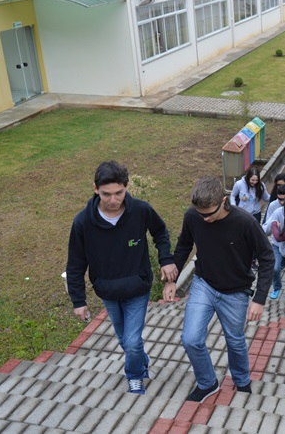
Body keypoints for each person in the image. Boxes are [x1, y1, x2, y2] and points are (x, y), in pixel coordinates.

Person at [66, 160, 176, 396]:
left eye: (118, 193)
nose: (113, 200)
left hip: (137, 287)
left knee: (132, 342)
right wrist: (78, 301)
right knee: (125, 341)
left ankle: (135, 377)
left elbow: (160, 232)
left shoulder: (141, 211)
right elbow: (75, 264)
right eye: (106, 194)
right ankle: (142, 361)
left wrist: (166, 259)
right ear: (95, 189)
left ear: (127, 187)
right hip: (107, 290)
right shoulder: (82, 222)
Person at [165, 177, 274, 402]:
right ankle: (208, 383)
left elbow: (267, 257)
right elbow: (184, 245)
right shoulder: (192, 216)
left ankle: (241, 380)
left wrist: (259, 299)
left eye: (209, 214)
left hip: (236, 291)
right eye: (200, 214)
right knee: (190, 339)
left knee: (235, 340)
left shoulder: (245, 222)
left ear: (223, 201)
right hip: (204, 284)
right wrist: (172, 279)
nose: (204, 219)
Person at [263, 184, 285, 300]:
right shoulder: (273, 206)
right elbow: (267, 224)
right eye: (279, 199)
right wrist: (272, 227)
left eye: (283, 199)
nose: (281, 202)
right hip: (277, 244)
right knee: (275, 268)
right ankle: (276, 288)